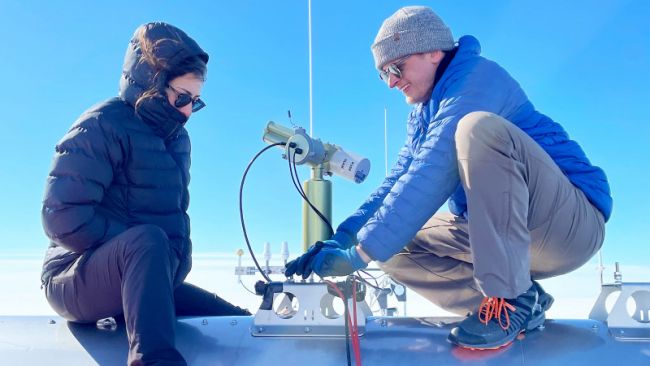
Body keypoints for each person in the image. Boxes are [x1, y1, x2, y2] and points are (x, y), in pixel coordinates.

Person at [285, 6, 612, 350]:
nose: (392, 82)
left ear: (433, 51)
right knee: (393, 244)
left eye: (395, 68)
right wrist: (346, 238)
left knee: (476, 128)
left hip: (567, 225)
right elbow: (399, 182)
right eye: (383, 75)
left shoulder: (479, 80)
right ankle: (515, 305)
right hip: (502, 234)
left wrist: (358, 256)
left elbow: (431, 169)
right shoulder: (424, 113)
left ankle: (507, 298)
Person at [41, 22, 250, 366]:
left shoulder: (176, 140)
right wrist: (137, 251)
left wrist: (161, 259)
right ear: (151, 84)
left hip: (144, 277)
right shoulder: (103, 124)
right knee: (148, 240)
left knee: (236, 320)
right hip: (73, 276)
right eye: (181, 98)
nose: (186, 112)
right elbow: (60, 218)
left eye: (194, 103)